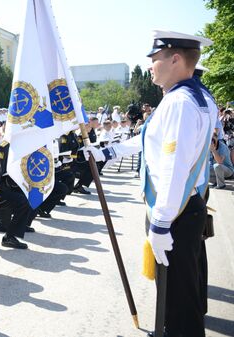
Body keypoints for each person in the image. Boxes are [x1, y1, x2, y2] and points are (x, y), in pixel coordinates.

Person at [87, 31, 214, 336]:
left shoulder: (179, 103)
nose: (151, 66)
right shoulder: (192, 96)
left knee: (178, 302)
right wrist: (108, 150)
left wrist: (160, 222)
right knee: (184, 292)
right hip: (184, 208)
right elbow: (151, 140)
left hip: (175, 213)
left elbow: (173, 167)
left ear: (175, 59)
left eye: (155, 59)